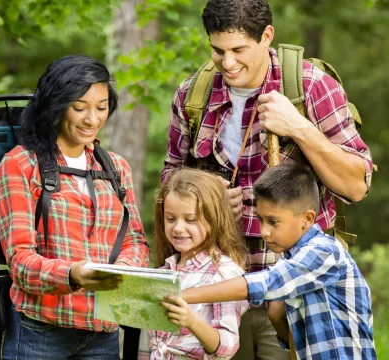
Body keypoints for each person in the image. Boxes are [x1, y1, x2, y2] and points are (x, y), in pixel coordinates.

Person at [161, 0, 373, 358]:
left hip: (292, 296)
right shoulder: (192, 94)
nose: (228, 63)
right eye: (218, 50)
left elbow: (356, 185)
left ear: (267, 36)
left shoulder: (310, 86)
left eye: (239, 50)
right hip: (218, 298)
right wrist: (206, 197)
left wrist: (299, 128)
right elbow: (170, 179)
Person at [0, 55, 149, 359]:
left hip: (103, 333)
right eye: (79, 108)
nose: (92, 119)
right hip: (40, 332)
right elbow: (21, 264)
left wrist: (127, 268)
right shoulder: (21, 166)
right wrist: (73, 275)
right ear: (55, 106)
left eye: (101, 108)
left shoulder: (116, 168)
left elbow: (135, 241)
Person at [180, 163, 376, 359]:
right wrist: (276, 316)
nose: (264, 231)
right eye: (261, 220)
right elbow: (290, 332)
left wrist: (184, 295)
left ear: (307, 219)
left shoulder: (324, 251)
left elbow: (265, 282)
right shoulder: (292, 259)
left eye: (273, 222)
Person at [138, 168, 249, 360]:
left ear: (214, 219)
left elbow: (228, 347)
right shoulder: (164, 271)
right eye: (170, 218)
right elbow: (149, 343)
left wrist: (191, 321)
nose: (178, 228)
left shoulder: (225, 274)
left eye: (190, 219)